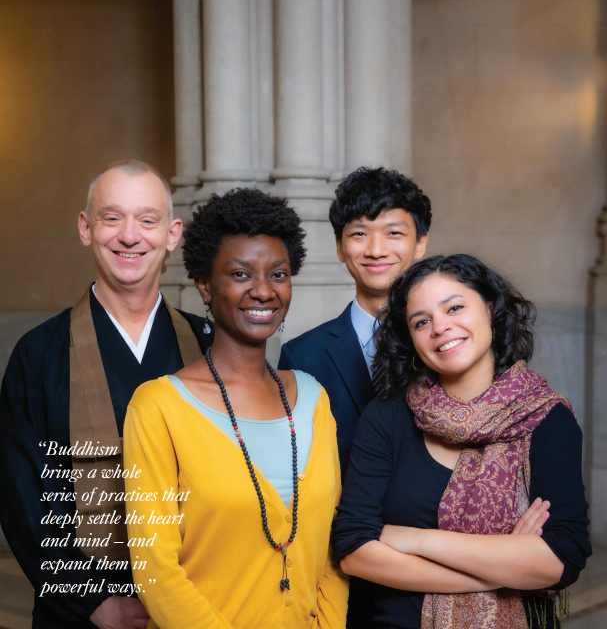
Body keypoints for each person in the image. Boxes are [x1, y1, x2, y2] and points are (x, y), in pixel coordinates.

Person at [0, 160, 213, 629]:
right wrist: (94, 603)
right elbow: (23, 499)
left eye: (148, 220)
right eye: (112, 217)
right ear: (85, 227)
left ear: (173, 233)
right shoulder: (38, 354)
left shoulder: (208, 344)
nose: (129, 236)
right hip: (81, 613)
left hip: (199, 603)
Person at [122, 188, 349, 629]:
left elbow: (330, 549)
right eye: (241, 274)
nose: (263, 291)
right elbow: (156, 569)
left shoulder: (314, 398)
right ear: (205, 284)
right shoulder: (158, 408)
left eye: (278, 274)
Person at [332, 254, 592, 629]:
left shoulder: (546, 418)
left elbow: (561, 558)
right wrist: (505, 569)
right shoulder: (387, 415)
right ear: (410, 337)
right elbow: (354, 550)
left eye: (454, 307)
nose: (440, 327)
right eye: (421, 321)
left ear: (490, 308)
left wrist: (413, 540)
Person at [278, 167, 432, 629]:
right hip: (340, 570)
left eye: (393, 232)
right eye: (359, 234)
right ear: (341, 247)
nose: (376, 249)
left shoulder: (450, 343)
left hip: (436, 565)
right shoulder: (300, 354)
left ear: (420, 242)